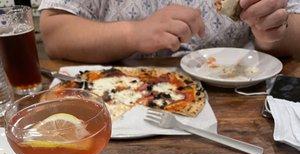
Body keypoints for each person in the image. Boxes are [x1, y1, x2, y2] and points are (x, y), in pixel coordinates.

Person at [39, 0, 300, 63]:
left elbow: (295, 35)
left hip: (241, 103)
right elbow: (55, 32)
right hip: (119, 102)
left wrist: (273, 29)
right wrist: (133, 34)